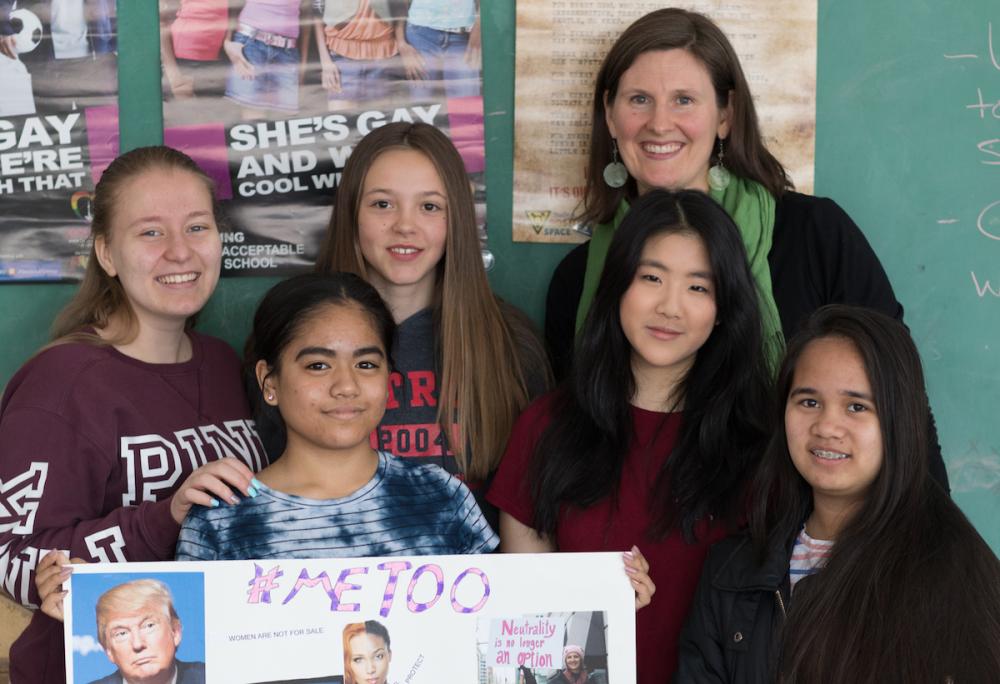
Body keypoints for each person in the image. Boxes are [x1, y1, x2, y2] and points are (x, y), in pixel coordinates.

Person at [544, 7, 950, 490]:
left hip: (810, 541)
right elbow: (574, 446)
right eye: (639, 100)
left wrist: (929, 544)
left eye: (684, 100)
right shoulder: (579, 280)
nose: (659, 123)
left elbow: (900, 400)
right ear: (610, 116)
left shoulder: (815, 236)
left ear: (725, 116)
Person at [0, 145, 265, 683]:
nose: (179, 252)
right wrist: (165, 515)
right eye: (150, 232)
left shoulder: (224, 363)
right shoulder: (62, 382)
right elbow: (11, 557)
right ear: (106, 253)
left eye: (196, 227)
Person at [487, 189, 773, 684]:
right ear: (618, 285)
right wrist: (593, 606)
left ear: (725, 307)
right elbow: (527, 624)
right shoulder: (546, 427)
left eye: (698, 288)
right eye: (652, 278)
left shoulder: (762, 441)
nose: (670, 306)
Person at [674, 306, 1000, 683]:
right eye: (808, 402)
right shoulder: (731, 570)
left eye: (857, 406)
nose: (827, 426)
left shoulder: (953, 571)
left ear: (899, 421)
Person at [315, 122, 552, 527]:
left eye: (429, 206)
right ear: (352, 213)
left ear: (455, 218)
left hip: (479, 586)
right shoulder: (299, 337)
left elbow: (535, 507)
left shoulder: (510, 343)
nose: (405, 226)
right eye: (382, 204)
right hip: (340, 582)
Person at [175, 272, 498, 560]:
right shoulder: (221, 521)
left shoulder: (440, 495)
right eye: (318, 365)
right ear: (269, 381)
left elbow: (489, 620)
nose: (346, 386)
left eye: (366, 364)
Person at [90, 579, 205, 684]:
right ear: (108, 651)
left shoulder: (212, 676)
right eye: (122, 633)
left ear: (175, 632)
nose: (138, 644)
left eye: (149, 626)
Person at [392, 0, 481, 101]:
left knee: (466, 108)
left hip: (463, 38)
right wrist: (401, 43)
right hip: (420, 35)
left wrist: (479, 25)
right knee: (422, 105)